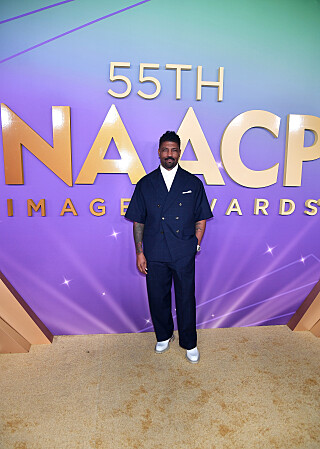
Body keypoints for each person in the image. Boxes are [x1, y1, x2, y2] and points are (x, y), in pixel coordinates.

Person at [125, 131, 213, 363]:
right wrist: (139, 252)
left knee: (186, 298)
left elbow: (201, 218)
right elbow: (138, 221)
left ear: (179, 153)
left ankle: (189, 342)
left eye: (174, 150)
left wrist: (195, 244)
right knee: (157, 297)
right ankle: (163, 335)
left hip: (183, 251)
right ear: (159, 152)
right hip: (154, 252)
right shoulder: (146, 183)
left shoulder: (192, 183)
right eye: (165, 150)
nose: (169, 154)